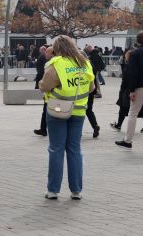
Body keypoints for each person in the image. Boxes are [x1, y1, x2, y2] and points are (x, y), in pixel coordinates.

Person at [39, 35, 95, 200]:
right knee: (74, 149)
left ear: (56, 49)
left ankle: (53, 190)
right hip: (79, 111)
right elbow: (91, 87)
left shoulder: (56, 64)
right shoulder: (85, 63)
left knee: (56, 149)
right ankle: (76, 190)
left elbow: (45, 85)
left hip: (58, 109)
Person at [110, 49, 143, 132]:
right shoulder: (142, 65)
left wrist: (121, 91)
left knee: (123, 107)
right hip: (142, 89)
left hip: (129, 90)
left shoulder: (129, 66)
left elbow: (125, 80)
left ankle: (119, 125)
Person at [34, 46, 54, 136]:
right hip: (49, 94)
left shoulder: (50, 64)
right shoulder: (48, 61)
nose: (45, 53)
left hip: (52, 94)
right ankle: (43, 129)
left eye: (47, 52)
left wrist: (40, 85)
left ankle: (44, 129)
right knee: (45, 111)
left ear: (52, 53)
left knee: (48, 112)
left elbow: (45, 77)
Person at [83, 45, 102, 138]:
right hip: (91, 90)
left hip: (82, 91)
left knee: (78, 111)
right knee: (89, 110)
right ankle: (95, 126)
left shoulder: (80, 66)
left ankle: (77, 129)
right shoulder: (90, 64)